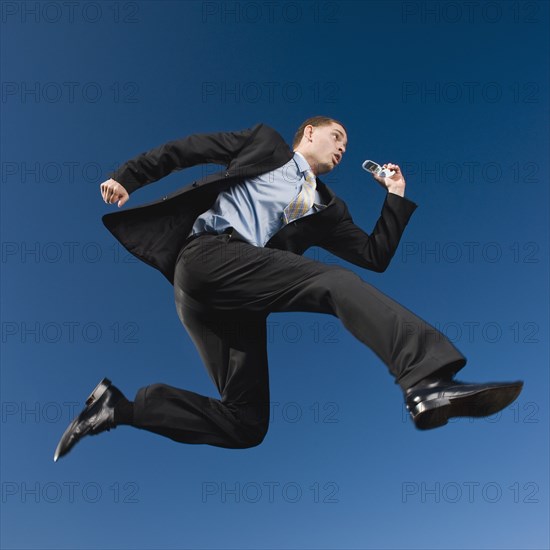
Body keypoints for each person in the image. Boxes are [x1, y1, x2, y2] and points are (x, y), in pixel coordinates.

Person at [54, 116, 523, 461]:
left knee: (246, 422)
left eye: (346, 144)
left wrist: (395, 197)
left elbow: (374, 256)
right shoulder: (264, 143)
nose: (341, 148)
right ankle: (427, 380)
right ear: (310, 134)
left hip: (233, 300)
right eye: (336, 137)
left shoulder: (328, 210)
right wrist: (128, 176)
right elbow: (189, 148)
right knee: (332, 282)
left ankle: (121, 408)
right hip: (205, 258)